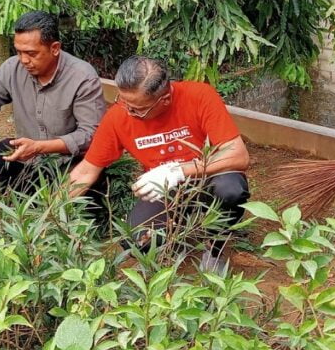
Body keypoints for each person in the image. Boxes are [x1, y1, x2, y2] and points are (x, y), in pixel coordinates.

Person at [68, 56, 250, 272]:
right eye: (122, 101)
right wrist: (50, 208)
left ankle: (213, 249)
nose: (128, 112)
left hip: (207, 179)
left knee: (231, 190)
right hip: (163, 190)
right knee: (136, 242)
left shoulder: (199, 96)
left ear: (164, 99)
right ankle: (176, 239)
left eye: (137, 109)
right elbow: (87, 170)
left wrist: (178, 171)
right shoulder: (118, 116)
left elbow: (239, 155)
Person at [0, 11, 106, 194]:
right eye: (18, 52)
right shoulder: (12, 67)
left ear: (54, 48)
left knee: (87, 190)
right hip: (25, 152)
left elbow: (91, 134)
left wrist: (40, 147)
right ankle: (29, 196)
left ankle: (38, 197)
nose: (24, 60)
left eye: (31, 53)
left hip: (68, 159)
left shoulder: (82, 77)